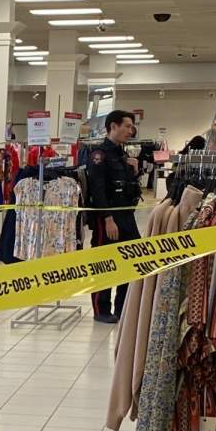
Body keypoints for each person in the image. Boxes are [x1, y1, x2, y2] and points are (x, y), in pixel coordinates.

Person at [86, 109, 142, 324]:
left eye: (131, 127)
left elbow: (128, 187)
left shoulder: (121, 154)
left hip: (127, 216)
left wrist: (134, 172)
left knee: (130, 261)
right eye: (127, 126)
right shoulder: (100, 155)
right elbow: (98, 190)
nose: (131, 130)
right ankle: (101, 310)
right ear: (113, 126)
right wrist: (108, 219)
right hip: (108, 219)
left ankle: (122, 307)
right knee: (105, 264)